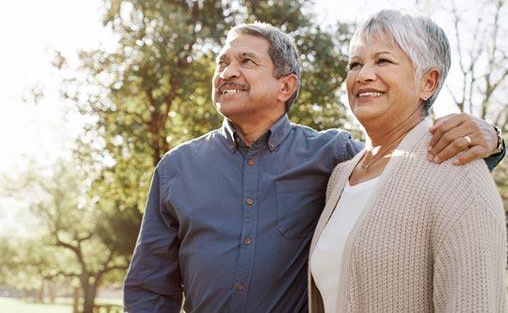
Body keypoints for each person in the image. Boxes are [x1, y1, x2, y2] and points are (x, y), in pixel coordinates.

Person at [124, 22, 505, 313]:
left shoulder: (334, 157)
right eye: (222, 62)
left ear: (285, 86)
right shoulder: (176, 168)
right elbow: (150, 288)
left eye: (246, 61)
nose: (226, 72)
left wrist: (493, 141)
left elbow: (405, 167)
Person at [308, 9, 507, 313]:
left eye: (383, 60)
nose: (363, 75)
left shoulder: (457, 170)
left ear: (428, 82)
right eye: (355, 64)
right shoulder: (341, 176)